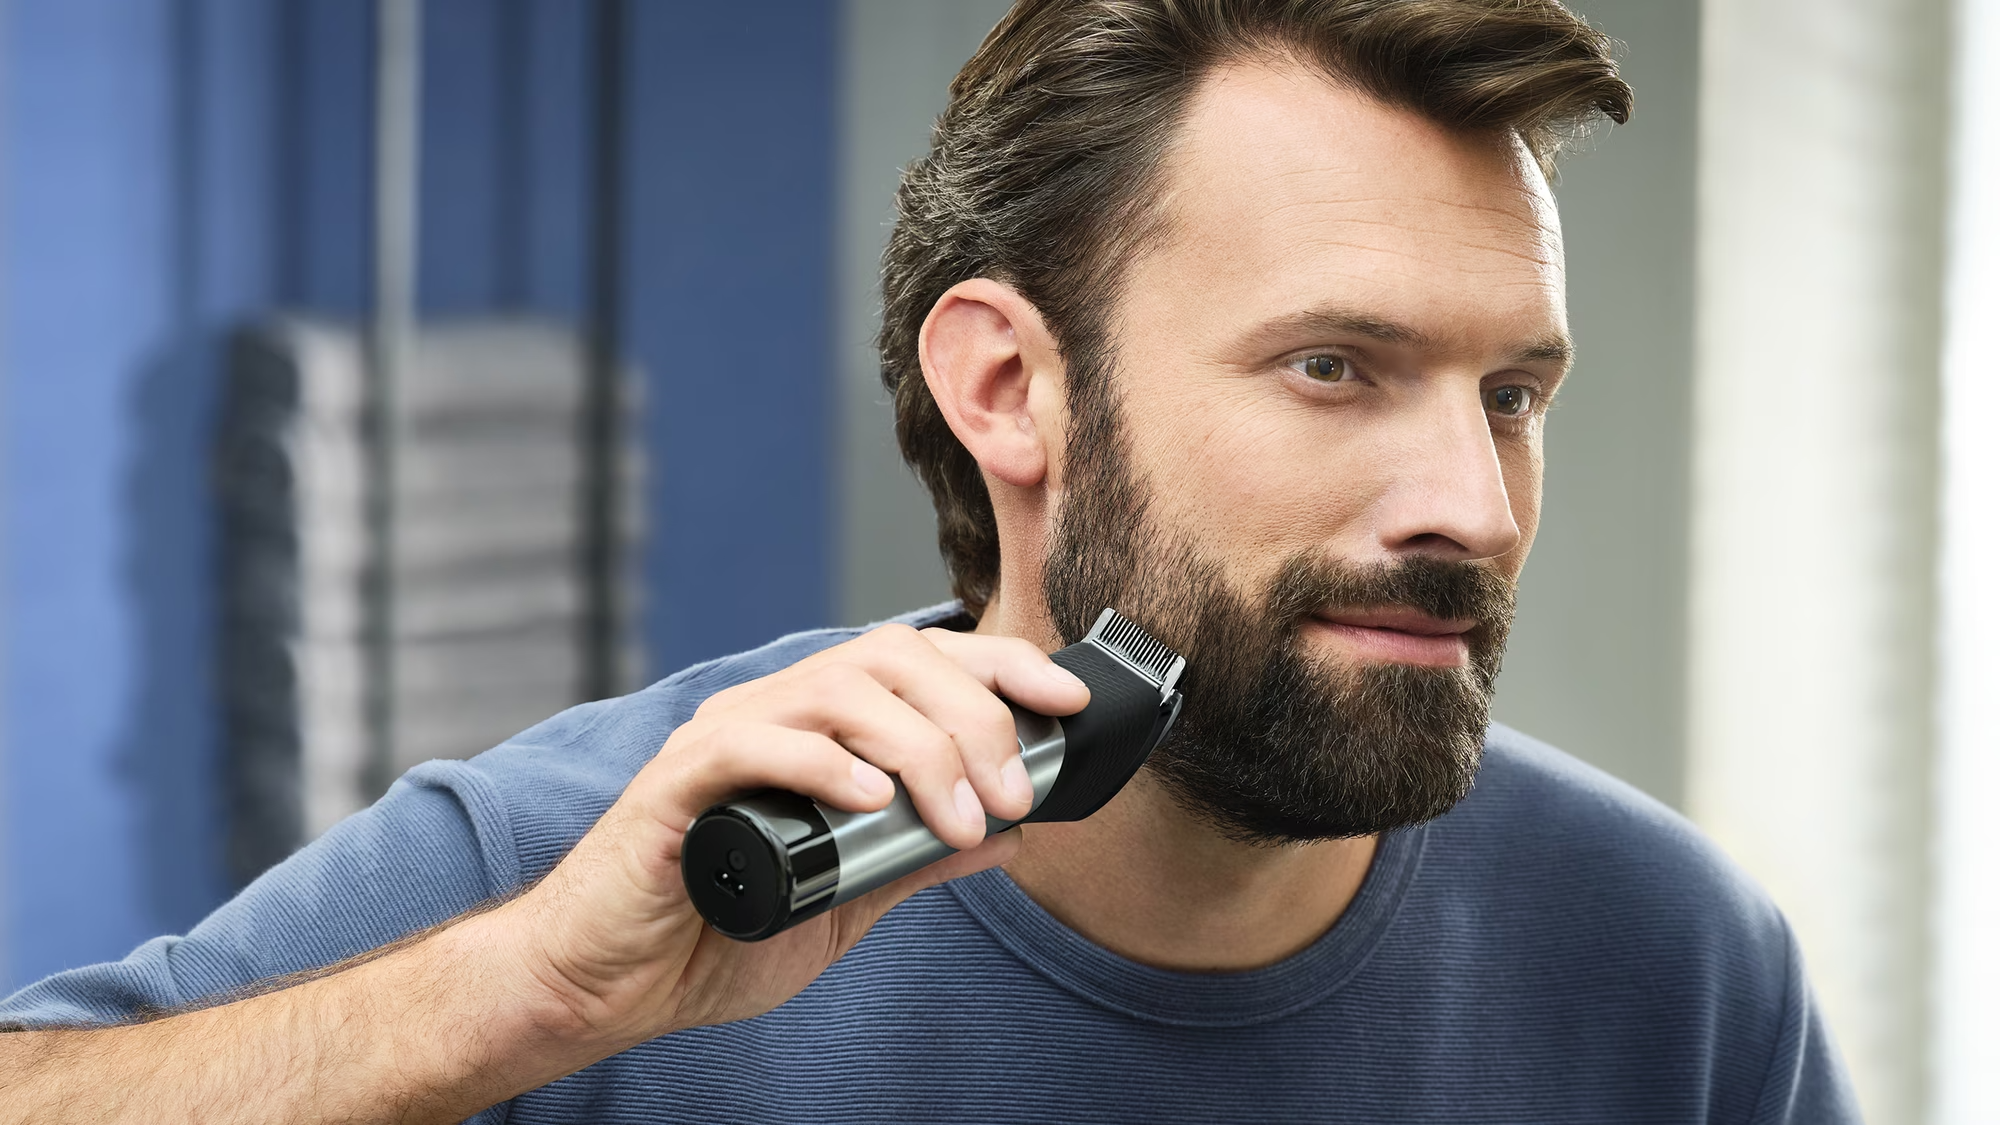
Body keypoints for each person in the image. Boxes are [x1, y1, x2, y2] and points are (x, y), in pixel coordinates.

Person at [0, 1, 1860, 1121]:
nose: (1470, 497)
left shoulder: (1679, 974)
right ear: (1010, 389)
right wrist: (532, 1002)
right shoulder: (569, 881)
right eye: (1331, 368)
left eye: (1513, 392)